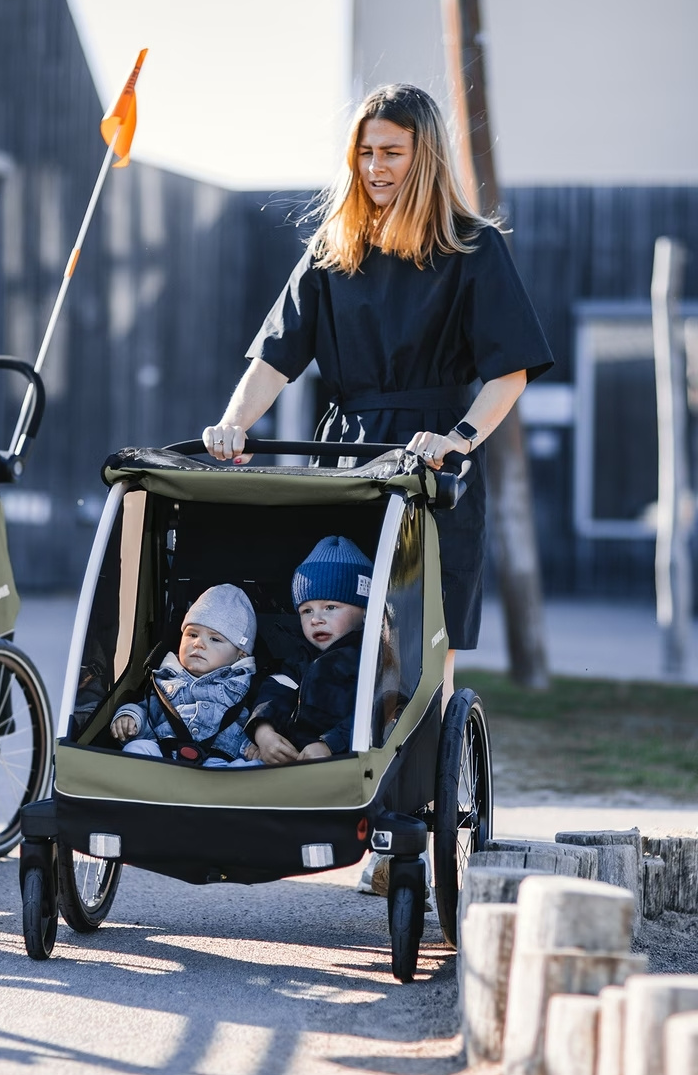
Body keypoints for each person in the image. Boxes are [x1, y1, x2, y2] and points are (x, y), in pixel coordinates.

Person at [203, 84, 554, 699]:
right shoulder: (333, 248)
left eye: (392, 152)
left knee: (425, 643)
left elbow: (510, 372)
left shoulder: (474, 248)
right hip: (348, 459)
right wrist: (234, 422)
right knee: (336, 625)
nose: (375, 167)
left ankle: (424, 752)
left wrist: (460, 438)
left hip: (435, 460)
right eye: (365, 153)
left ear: (427, 157)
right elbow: (275, 358)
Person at [248, 537, 372, 765]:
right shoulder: (301, 658)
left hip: (345, 764)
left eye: (330, 607)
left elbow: (378, 712)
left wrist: (330, 744)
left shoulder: (371, 659)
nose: (316, 619)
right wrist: (264, 733)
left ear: (365, 611)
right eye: (306, 611)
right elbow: (274, 693)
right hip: (293, 759)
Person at [110, 584, 260, 767]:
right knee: (136, 748)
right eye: (192, 634)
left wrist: (254, 745)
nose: (198, 644)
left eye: (215, 639)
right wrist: (131, 718)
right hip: (164, 755)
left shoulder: (243, 686)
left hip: (218, 764)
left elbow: (249, 724)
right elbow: (147, 710)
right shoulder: (164, 678)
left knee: (253, 767)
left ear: (241, 654)